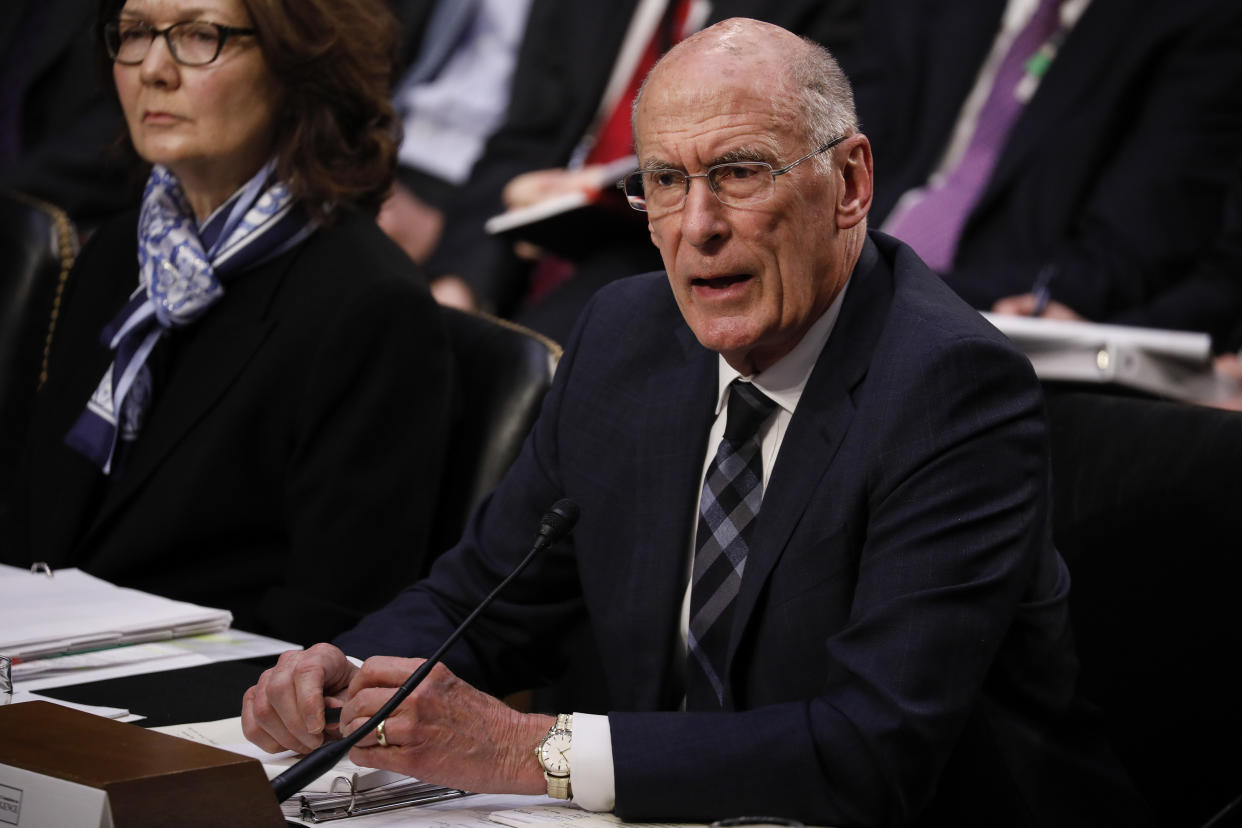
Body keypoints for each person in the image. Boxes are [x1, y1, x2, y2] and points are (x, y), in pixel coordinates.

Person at [242, 19, 1150, 826]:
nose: (697, 226)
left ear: (850, 181)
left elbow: (872, 750)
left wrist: (529, 751)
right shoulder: (628, 335)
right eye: (665, 183)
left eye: (739, 173)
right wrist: (337, 669)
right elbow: (485, 594)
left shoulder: (951, 389)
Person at [0, 0, 456, 646]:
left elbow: (331, 628)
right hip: (43, 682)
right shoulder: (115, 253)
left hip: (204, 720)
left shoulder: (370, 307)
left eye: (198, 35)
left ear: (299, 61)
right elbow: (31, 529)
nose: (153, 68)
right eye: (134, 33)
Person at [846, 0, 1242, 329]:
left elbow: (1122, 257)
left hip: (980, 328)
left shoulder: (1197, 21)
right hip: (845, 278)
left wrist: (881, 293)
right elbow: (837, 152)